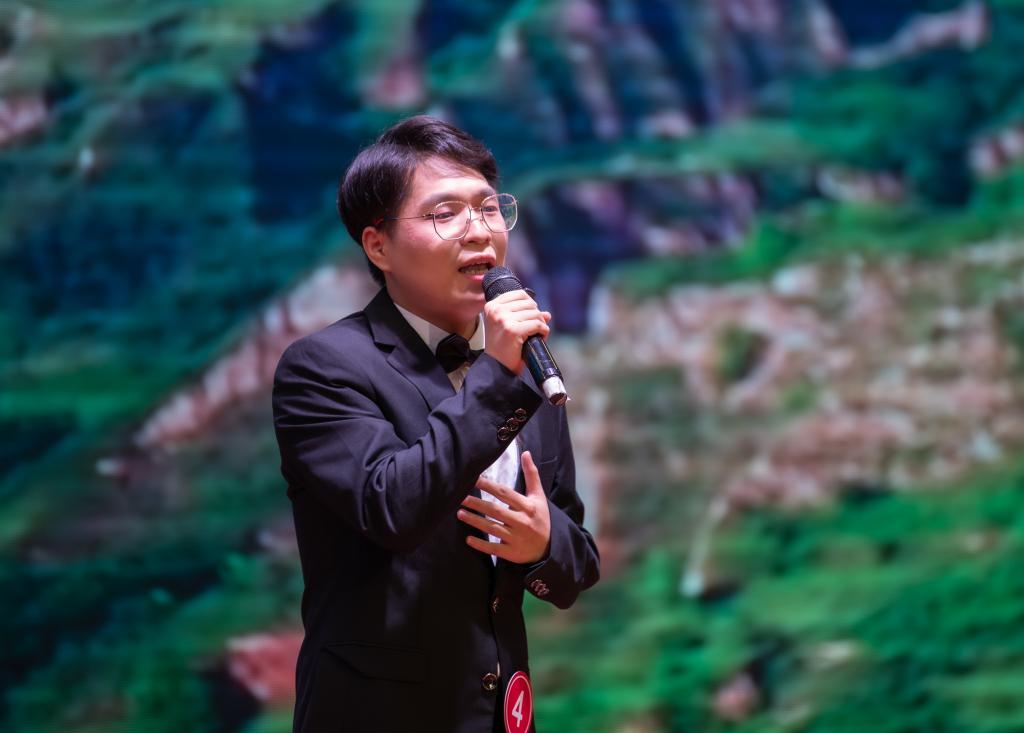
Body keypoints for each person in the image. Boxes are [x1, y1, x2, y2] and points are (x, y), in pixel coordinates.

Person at [272, 115, 600, 733]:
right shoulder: (324, 366)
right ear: (378, 247)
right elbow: (393, 508)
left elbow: (577, 562)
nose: (479, 230)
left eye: (488, 208)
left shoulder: (525, 368)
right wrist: (495, 375)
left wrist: (541, 545)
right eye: (445, 213)